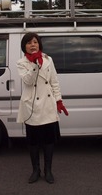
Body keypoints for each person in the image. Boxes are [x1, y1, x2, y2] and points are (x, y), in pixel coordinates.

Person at [17, 32, 69, 184]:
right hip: (32, 107)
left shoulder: (48, 59)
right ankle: (35, 170)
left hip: (47, 106)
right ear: (24, 46)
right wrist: (34, 64)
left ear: (39, 44)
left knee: (48, 141)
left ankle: (48, 170)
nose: (32, 45)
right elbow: (27, 81)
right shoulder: (21, 62)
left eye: (35, 42)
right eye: (29, 43)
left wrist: (58, 100)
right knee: (33, 143)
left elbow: (54, 81)